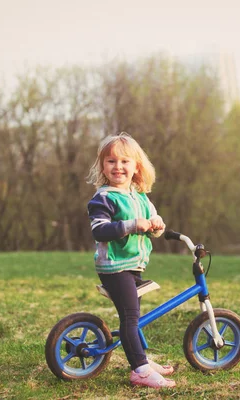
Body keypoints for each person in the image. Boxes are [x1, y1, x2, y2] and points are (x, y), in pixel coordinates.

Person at [86, 132, 176, 389]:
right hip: (114, 267)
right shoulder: (104, 198)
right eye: (111, 161)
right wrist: (132, 225)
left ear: (136, 166)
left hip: (133, 265)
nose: (118, 167)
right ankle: (140, 371)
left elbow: (153, 226)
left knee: (133, 316)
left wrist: (157, 225)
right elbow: (99, 230)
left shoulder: (140, 196)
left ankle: (141, 359)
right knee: (130, 317)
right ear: (103, 166)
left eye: (125, 161)